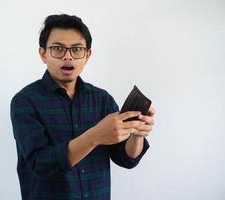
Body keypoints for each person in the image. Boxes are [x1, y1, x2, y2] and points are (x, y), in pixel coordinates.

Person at [10, 14, 156, 200]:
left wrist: (137, 133)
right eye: (58, 48)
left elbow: (126, 159)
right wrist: (95, 136)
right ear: (43, 54)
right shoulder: (24, 101)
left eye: (77, 49)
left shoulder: (102, 99)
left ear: (87, 55)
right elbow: (41, 165)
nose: (68, 56)